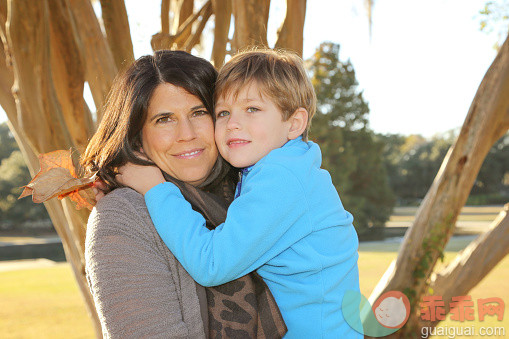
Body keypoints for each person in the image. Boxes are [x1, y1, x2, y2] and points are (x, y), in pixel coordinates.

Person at [117, 49, 361, 338]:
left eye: (252, 109)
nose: (233, 123)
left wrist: (156, 190)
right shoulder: (281, 168)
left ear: (294, 123)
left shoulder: (281, 180)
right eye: (223, 112)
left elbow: (212, 264)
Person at [81, 50, 286, 338]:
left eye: (199, 112)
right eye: (164, 119)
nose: (186, 134)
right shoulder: (123, 217)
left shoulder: (258, 189)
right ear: (137, 135)